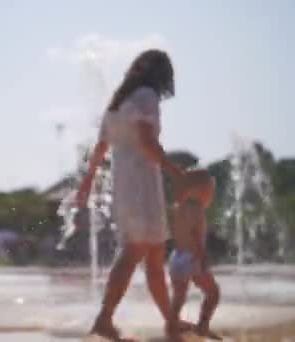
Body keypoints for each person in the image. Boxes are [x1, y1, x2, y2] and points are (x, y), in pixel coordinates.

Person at [76, 49, 187, 341]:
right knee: (135, 252)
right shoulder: (146, 96)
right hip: (141, 183)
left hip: (126, 183)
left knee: (153, 256)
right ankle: (104, 319)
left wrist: (87, 182)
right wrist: (176, 173)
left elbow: (101, 147)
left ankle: (171, 322)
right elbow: (147, 141)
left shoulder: (118, 102)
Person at [167, 169, 221, 341]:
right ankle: (202, 326)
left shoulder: (177, 207)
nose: (210, 197)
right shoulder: (196, 208)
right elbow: (195, 234)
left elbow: (176, 232)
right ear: (198, 190)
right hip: (193, 257)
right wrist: (203, 256)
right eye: (210, 192)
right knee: (213, 293)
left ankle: (172, 327)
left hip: (177, 257)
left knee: (179, 297)